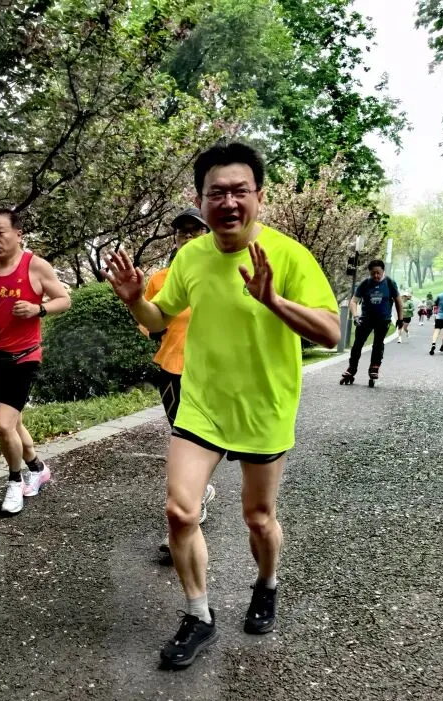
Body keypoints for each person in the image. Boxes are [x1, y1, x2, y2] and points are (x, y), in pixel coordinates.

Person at [104, 142, 340, 668]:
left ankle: (266, 583)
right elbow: (160, 318)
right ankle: (199, 614)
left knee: (259, 518)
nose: (229, 202)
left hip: (264, 407)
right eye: (217, 193)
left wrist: (273, 301)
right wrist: (134, 299)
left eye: (239, 191)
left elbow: (330, 332)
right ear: (201, 200)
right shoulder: (191, 256)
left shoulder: (289, 256)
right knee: (180, 511)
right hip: (202, 404)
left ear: (259, 196)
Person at [0, 207, 71, 515]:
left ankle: (14, 483)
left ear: (18, 234)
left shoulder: (36, 266)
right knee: (14, 425)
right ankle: (38, 469)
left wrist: (38, 309)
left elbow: (64, 299)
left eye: (0, 232)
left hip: (25, 357)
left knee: (3, 424)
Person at [142, 208, 216, 559]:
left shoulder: (223, 274)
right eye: (181, 232)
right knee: (183, 442)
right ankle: (193, 505)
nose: (186, 236)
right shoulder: (161, 279)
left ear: (207, 234)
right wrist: (147, 321)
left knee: (205, 444)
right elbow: (149, 321)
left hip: (214, 373)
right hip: (173, 370)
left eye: (194, 231)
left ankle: (194, 500)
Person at [341, 259, 403, 385]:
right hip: (366, 319)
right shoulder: (365, 283)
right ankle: (351, 369)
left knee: (378, 344)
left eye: (378, 273)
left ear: (383, 271)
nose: (376, 275)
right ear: (369, 272)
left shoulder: (389, 282)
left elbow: (398, 301)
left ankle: (374, 367)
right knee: (357, 344)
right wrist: (355, 316)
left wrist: (400, 319)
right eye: (373, 273)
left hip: (383, 319)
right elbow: (353, 301)